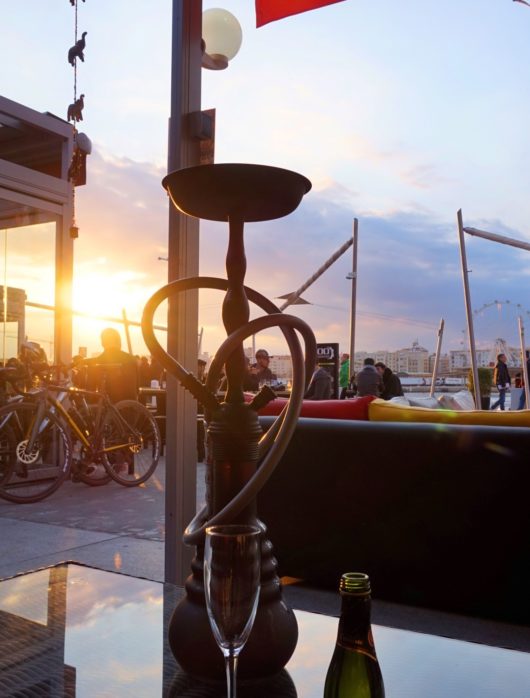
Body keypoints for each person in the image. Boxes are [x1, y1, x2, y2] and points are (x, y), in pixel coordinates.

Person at [86, 327, 138, 403]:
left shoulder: (96, 363)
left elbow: (90, 394)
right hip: (130, 405)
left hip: (107, 406)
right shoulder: (131, 359)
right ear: (119, 341)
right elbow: (137, 387)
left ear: (103, 343)